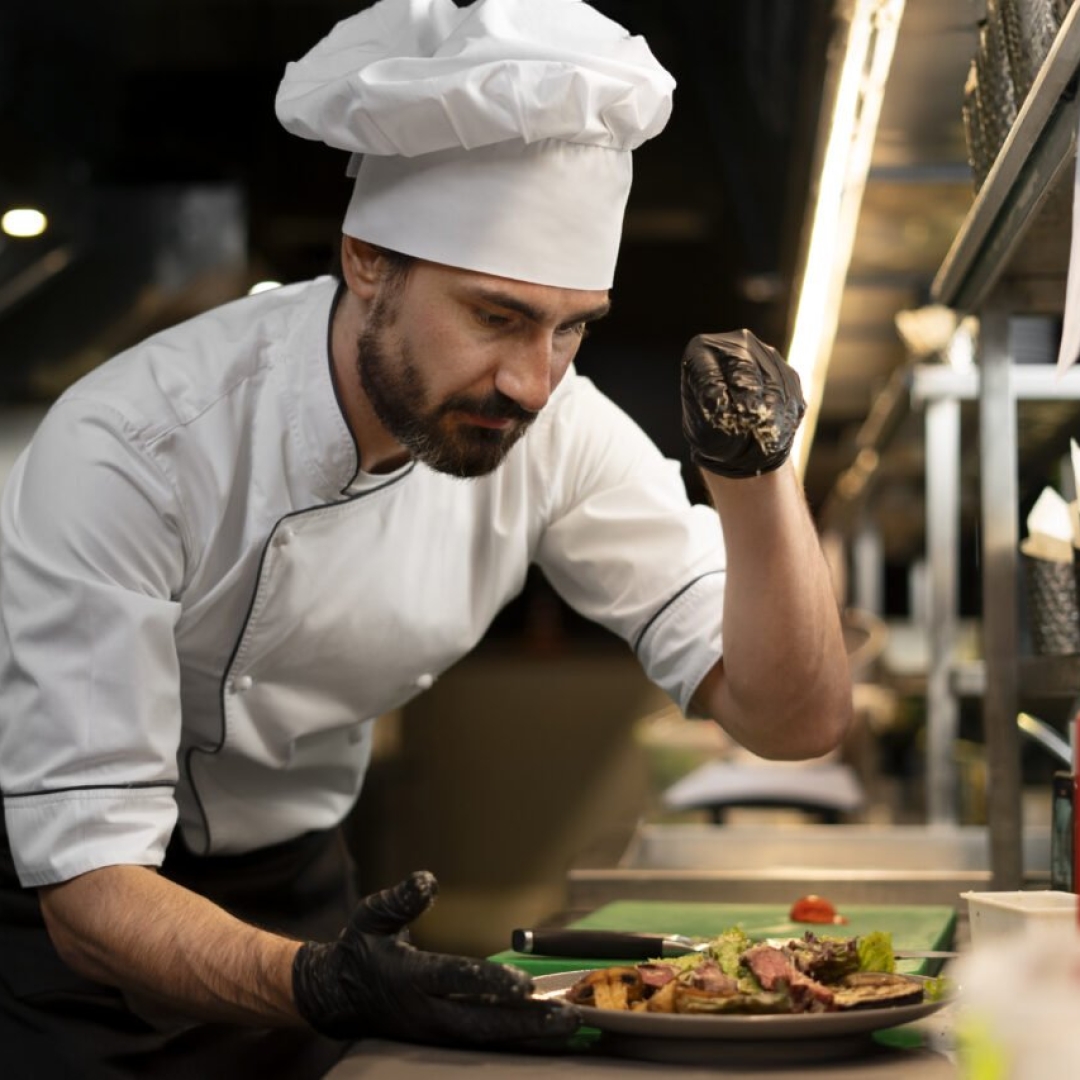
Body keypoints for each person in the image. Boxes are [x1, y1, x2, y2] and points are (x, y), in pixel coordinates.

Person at [0, 0, 852, 1076]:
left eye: (572, 326)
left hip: (298, 882)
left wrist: (756, 477)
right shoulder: (134, 446)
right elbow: (86, 889)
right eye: (496, 317)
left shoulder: (558, 427)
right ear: (367, 262)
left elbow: (792, 716)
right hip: (68, 926)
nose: (534, 382)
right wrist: (321, 985)